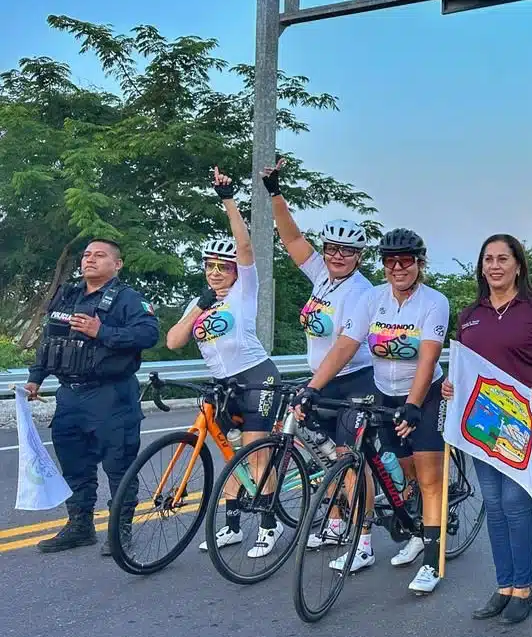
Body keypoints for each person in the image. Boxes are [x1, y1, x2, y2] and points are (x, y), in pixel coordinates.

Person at [295, 229, 450, 594]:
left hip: (423, 396)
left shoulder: (434, 301)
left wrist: (413, 405)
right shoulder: (372, 298)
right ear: (382, 265)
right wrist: (312, 387)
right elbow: (346, 345)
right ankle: (414, 526)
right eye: (390, 261)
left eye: (406, 261)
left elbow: (427, 357)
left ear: (419, 264)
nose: (398, 268)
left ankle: (432, 561)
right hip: (385, 395)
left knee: (428, 478)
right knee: (403, 472)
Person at [442, 234, 532, 625]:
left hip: (524, 420)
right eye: (488, 259)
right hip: (482, 421)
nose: (495, 266)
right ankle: (504, 586)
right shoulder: (469, 315)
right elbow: (465, 367)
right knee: (493, 505)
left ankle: (524, 590)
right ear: (481, 266)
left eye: (503, 259)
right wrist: (451, 385)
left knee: (515, 501)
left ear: (518, 265)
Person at [168, 168, 283, 557]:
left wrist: (228, 198)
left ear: (235, 272)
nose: (216, 273)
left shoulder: (244, 292)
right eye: (210, 267)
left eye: (223, 267)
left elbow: (245, 246)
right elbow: (173, 341)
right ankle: (232, 523)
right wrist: (198, 306)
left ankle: (269, 526)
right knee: (230, 454)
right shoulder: (200, 301)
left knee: (255, 450)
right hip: (223, 384)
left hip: (255, 376)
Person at [25, 239, 160, 553]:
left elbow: (148, 334)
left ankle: (119, 532)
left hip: (111, 397)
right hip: (70, 397)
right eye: (87, 255)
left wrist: (103, 332)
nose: (90, 260)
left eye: (100, 255)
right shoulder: (69, 296)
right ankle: (80, 526)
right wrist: (35, 379)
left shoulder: (127, 299)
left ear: (117, 264)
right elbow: (50, 342)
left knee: (119, 466)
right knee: (74, 465)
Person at [261, 159, 375, 454]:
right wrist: (275, 192)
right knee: (312, 442)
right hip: (325, 378)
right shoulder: (322, 275)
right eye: (331, 249)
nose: (338, 256)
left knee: (345, 457)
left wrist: (312, 387)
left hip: (355, 381)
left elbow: (343, 349)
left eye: (347, 251)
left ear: (359, 256)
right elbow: (292, 238)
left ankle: (359, 497)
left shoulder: (361, 292)